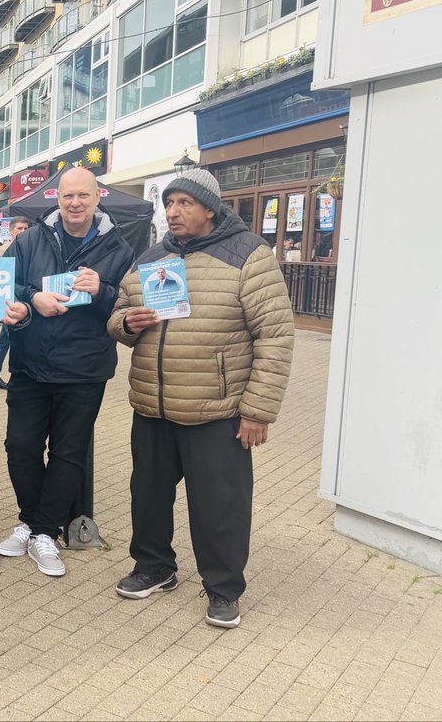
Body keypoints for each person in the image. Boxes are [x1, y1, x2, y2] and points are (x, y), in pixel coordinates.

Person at [108, 168, 294, 629]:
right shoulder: (151, 257)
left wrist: (257, 410)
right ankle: (154, 567)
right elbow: (115, 317)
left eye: (184, 203)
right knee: (147, 495)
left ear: (209, 207)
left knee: (220, 504)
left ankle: (224, 589)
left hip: (218, 410)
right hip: (154, 404)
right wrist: (128, 323)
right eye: (168, 204)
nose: (173, 212)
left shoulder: (249, 254)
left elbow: (275, 335)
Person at [0, 167, 134, 577]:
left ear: (97, 198)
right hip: (30, 364)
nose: (75, 203)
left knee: (68, 453)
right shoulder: (31, 239)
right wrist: (33, 297)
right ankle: (32, 520)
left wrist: (102, 292)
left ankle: (42, 532)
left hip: (84, 368)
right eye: (67, 196)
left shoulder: (119, 249)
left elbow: (127, 308)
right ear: (57, 197)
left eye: (83, 197)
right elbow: (6, 286)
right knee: (19, 446)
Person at [0, 216, 31, 389]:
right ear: (11, 230)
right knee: (7, 338)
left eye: (25, 228)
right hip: (8, 301)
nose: (22, 232)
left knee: (6, 339)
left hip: (26, 302)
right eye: (19, 228)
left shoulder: (32, 249)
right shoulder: (2, 251)